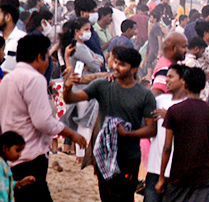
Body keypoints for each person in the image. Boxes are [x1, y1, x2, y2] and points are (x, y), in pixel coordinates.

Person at [62, 46, 157, 202]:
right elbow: (71, 99)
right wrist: (68, 86)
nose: (115, 67)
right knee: (106, 197)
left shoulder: (144, 94)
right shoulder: (103, 85)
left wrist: (128, 134)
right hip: (104, 155)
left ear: (133, 69)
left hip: (129, 157)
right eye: (115, 62)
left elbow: (151, 128)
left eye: (121, 64)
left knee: (124, 197)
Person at [0, 35, 88, 201]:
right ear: (40, 57)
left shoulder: (8, 79)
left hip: (11, 156)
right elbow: (42, 121)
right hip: (30, 156)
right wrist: (71, 134)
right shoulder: (35, 79)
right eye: (47, 58)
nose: (48, 63)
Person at [156, 66, 209, 201]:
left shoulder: (174, 111)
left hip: (179, 176)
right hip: (204, 177)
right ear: (204, 86)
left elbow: (167, 147)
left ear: (184, 85)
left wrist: (161, 177)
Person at [143, 64, 187, 202]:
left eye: (171, 77)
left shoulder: (189, 105)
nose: (166, 80)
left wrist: (170, 117)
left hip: (177, 172)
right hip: (155, 167)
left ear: (183, 81)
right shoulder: (159, 101)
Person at [0, 131, 35, 201]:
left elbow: (6, 185)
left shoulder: (5, 165)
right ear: (5, 148)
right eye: (17, 150)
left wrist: (20, 183)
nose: (19, 155)